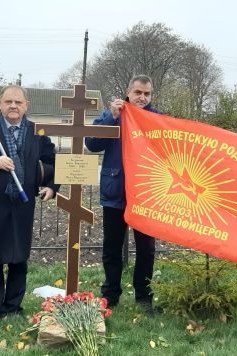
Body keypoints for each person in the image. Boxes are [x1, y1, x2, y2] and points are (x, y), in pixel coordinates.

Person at [0, 85, 58, 323]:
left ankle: (13, 307)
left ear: (26, 105)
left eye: (18, 102)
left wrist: (52, 186)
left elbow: (52, 160)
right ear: (0, 104)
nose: (13, 106)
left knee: (19, 259)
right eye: (9, 102)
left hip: (22, 205)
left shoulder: (37, 132)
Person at [85, 75, 162, 314]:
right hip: (115, 191)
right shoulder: (114, 114)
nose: (142, 97)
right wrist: (111, 117)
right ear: (128, 91)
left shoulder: (158, 118)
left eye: (147, 94)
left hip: (146, 195)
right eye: (138, 92)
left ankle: (143, 296)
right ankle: (110, 294)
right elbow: (92, 143)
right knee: (112, 247)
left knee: (146, 249)